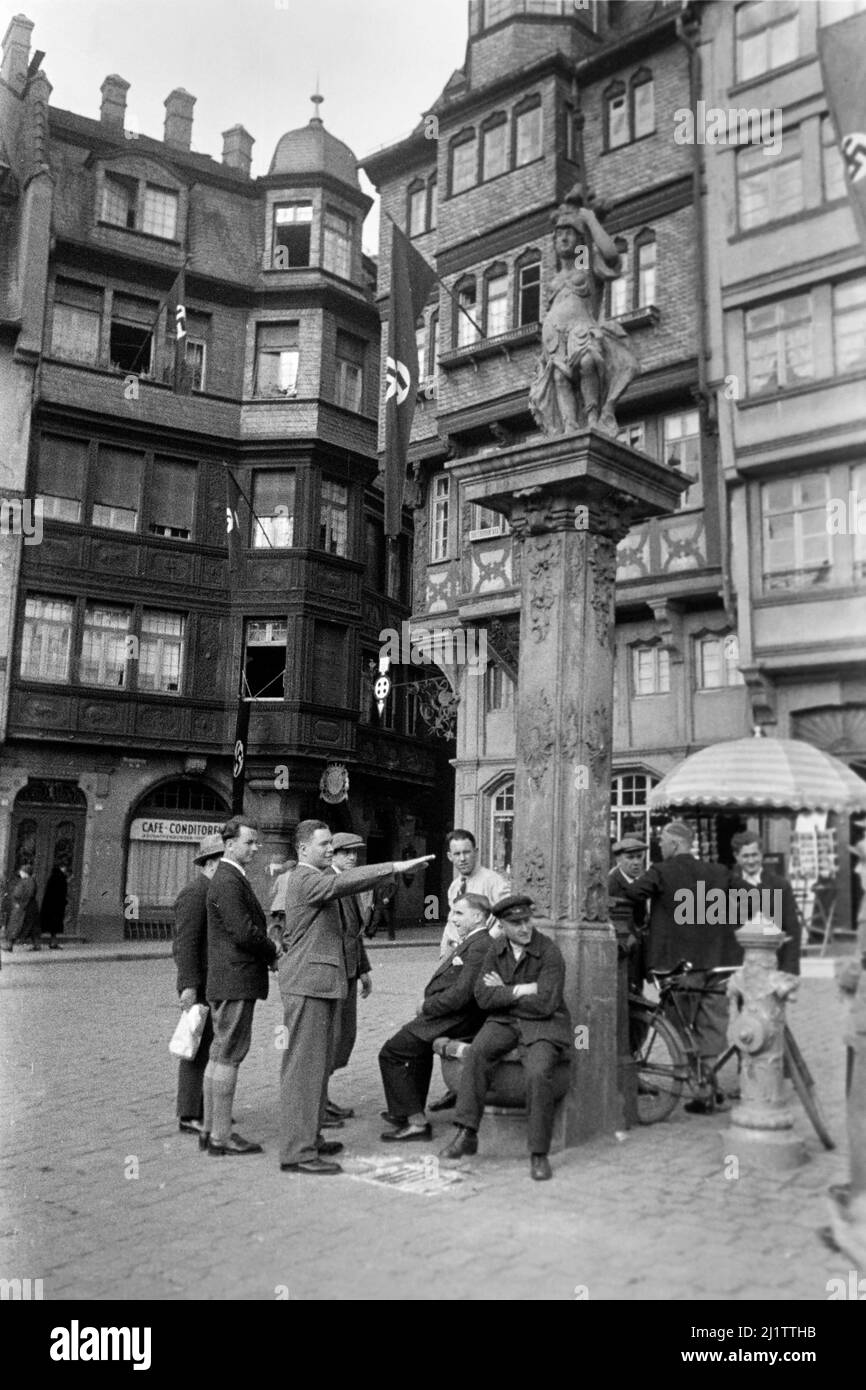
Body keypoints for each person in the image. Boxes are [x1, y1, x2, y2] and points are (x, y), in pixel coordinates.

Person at [277, 821, 433, 1176]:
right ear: (302, 849)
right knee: (303, 1071)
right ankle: (297, 1151)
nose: (330, 850)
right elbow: (340, 881)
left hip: (319, 983)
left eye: (333, 843)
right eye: (324, 845)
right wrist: (393, 868)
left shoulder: (313, 877)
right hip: (308, 985)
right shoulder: (304, 878)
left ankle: (310, 1139)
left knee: (315, 1067)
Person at [440, 895, 573, 1182]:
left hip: (543, 1025)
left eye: (527, 920)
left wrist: (505, 991)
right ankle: (467, 1132)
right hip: (504, 1022)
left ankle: (539, 1153)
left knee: (538, 1072)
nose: (524, 928)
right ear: (502, 925)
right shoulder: (496, 949)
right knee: (477, 1053)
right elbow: (483, 997)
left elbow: (547, 1002)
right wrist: (523, 990)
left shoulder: (549, 951)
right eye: (516, 923)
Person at [623, 820, 737, 1113]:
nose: (659, 846)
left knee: (679, 1028)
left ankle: (695, 1085)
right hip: (713, 963)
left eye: (661, 841)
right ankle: (705, 1091)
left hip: (677, 965)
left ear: (674, 844)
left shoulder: (662, 871)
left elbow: (635, 893)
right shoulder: (717, 871)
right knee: (712, 1026)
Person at [378, 893, 493, 1143]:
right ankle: (407, 1112)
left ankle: (416, 1122)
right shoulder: (473, 940)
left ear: (478, 916)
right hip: (450, 1015)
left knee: (392, 1052)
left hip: (454, 1017)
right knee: (414, 1052)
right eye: (453, 912)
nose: (452, 918)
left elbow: (463, 994)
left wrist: (427, 1006)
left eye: (459, 913)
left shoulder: (481, 944)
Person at [203, 817, 277, 1156]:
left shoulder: (227, 877)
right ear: (229, 844)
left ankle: (209, 1131)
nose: (255, 848)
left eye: (256, 842)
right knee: (229, 1055)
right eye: (249, 842)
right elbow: (244, 931)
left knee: (219, 1053)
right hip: (236, 979)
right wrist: (273, 949)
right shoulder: (230, 880)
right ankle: (221, 1135)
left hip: (226, 978)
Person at [172, 833, 224, 1138]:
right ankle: (189, 1112)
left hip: (213, 981)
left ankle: (204, 1106)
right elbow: (185, 944)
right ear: (213, 862)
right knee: (195, 1047)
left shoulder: (213, 890)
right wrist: (188, 986)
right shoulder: (195, 893)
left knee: (211, 1046)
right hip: (200, 983)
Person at [325, 832, 374, 1122]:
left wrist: (364, 968)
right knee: (331, 1038)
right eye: (346, 853)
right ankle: (318, 1102)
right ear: (333, 854)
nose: (352, 858)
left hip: (351, 972)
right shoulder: (330, 885)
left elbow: (353, 934)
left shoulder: (348, 886)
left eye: (355, 853)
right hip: (336, 975)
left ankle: (322, 1095)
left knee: (344, 1036)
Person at [727, 831, 801, 975]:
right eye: (745, 856)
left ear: (761, 855)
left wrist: (789, 972)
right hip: (739, 968)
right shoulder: (727, 885)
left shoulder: (780, 885)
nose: (751, 861)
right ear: (736, 857)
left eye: (754, 855)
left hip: (772, 965)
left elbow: (792, 930)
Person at [439, 829, 509, 958]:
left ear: (475, 853)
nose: (462, 859)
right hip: (459, 955)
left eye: (467, 852)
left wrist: (487, 942)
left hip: (484, 955)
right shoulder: (454, 887)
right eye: (457, 854)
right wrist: (445, 954)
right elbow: (451, 922)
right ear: (450, 856)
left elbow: (508, 915)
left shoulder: (493, 881)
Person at [607, 836, 648, 993]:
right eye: (630, 857)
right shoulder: (612, 884)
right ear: (618, 859)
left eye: (639, 857)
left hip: (636, 951)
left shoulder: (640, 881)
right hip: (623, 952)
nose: (636, 862)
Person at [7, 864, 41, 952]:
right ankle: (36, 945)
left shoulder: (29, 881)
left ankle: (10, 945)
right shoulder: (27, 881)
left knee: (16, 925)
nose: (20, 873)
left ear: (26, 873)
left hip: (25, 908)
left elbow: (27, 895)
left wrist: (20, 905)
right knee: (32, 927)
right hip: (28, 907)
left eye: (22, 872)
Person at [39, 864, 69, 950]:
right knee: (55, 927)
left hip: (49, 906)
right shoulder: (62, 878)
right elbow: (63, 893)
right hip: (57, 907)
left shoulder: (52, 877)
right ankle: (53, 943)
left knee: (47, 925)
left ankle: (38, 943)